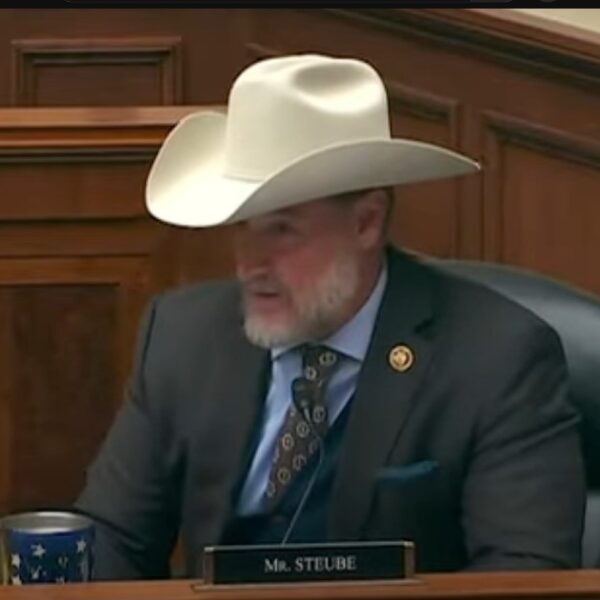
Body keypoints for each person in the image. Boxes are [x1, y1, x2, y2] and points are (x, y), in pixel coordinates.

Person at [76, 54, 585, 579]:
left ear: (367, 222)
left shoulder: (497, 357)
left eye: (282, 230)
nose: (249, 264)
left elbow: (527, 573)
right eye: (242, 228)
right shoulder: (183, 336)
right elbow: (114, 536)